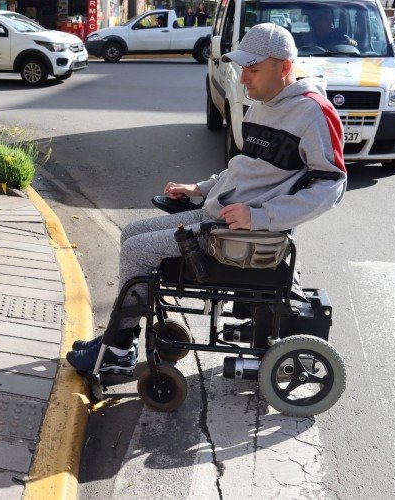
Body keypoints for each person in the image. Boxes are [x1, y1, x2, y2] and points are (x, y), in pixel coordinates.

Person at [66, 23, 347, 374]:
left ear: (285, 68)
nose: (244, 79)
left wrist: (260, 217)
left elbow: (331, 185)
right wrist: (200, 188)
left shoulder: (312, 113)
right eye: (244, 68)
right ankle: (121, 337)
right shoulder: (263, 103)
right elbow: (243, 170)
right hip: (219, 218)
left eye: (253, 69)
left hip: (240, 234)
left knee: (138, 251)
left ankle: (118, 350)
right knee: (131, 233)